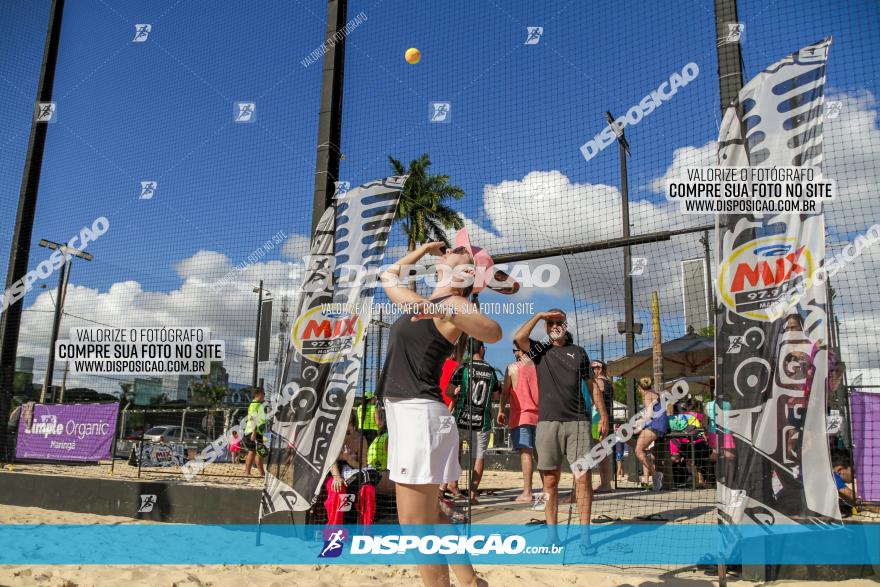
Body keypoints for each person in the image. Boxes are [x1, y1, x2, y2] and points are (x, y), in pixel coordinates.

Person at [376, 228, 510, 587]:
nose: (452, 249)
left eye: (461, 253)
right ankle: (470, 583)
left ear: (467, 274)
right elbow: (388, 276)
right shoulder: (422, 303)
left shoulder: (453, 305)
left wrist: (446, 304)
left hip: (420, 417)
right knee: (432, 516)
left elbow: (493, 332)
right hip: (411, 416)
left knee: (416, 526)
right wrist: (422, 250)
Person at [514, 308, 609, 552]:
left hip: (577, 421)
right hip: (547, 423)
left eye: (559, 322)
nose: (554, 326)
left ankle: (585, 538)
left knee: (583, 479)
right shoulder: (540, 351)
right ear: (546, 327)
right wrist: (539, 317)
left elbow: (593, 386)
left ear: (566, 325)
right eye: (551, 323)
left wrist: (604, 415)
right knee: (549, 482)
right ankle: (552, 535)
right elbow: (519, 338)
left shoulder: (579, 352)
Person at [451, 341, 500, 505]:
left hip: (461, 419)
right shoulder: (491, 371)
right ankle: (472, 496)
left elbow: (448, 390)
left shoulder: (463, 368)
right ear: (481, 349)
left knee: (455, 454)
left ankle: (452, 487)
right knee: (478, 457)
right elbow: (495, 396)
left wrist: (458, 394)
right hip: (482, 421)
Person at [497, 342, 540, 503]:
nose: (514, 353)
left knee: (526, 454)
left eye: (515, 350)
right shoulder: (539, 367)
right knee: (540, 455)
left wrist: (501, 409)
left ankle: (527, 493)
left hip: (522, 416)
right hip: (540, 416)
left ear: (521, 351)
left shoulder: (512, 368)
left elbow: (505, 392)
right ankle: (546, 489)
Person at [324, 416, 377, 526]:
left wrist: (348, 458)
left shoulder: (361, 440)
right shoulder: (335, 437)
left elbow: (363, 465)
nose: (345, 430)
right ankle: (335, 533)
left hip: (355, 476)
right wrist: (337, 477)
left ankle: (365, 531)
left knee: (368, 490)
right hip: (335, 474)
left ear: (354, 426)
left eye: (348, 425)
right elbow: (330, 460)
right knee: (338, 490)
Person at [629, 377, 667, 490]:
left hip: (655, 425)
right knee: (636, 446)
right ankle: (654, 475)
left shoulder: (647, 396)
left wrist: (637, 424)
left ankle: (656, 476)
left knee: (638, 450)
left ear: (640, 388)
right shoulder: (654, 393)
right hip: (659, 425)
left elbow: (649, 416)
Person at [589, 360, 615, 492]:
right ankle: (606, 483)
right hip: (606, 418)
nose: (593, 369)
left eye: (596, 367)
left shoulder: (599, 382)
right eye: (592, 367)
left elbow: (595, 400)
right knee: (603, 452)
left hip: (598, 419)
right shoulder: (610, 382)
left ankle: (605, 484)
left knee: (601, 453)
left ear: (601, 368)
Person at [243, 388, 268, 476]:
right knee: (254, 452)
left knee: (257, 452)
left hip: (257, 432)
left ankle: (261, 473)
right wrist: (254, 433)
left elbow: (260, 419)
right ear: (258, 394)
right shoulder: (255, 405)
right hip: (253, 432)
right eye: (263, 393)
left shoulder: (258, 405)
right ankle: (248, 472)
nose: (264, 395)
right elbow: (253, 419)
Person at [831, 449, 857, 517]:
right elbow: (851, 495)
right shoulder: (832, 476)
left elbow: (851, 500)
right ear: (840, 470)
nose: (854, 475)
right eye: (853, 471)